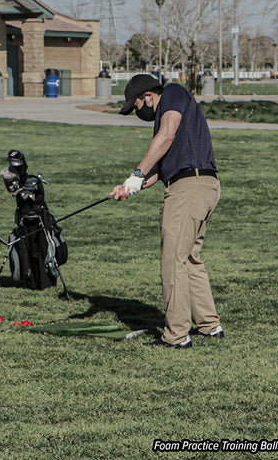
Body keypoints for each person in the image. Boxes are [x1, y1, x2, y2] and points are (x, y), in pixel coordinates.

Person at [110, 74, 223, 349]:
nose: (138, 112)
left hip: (188, 190)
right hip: (203, 186)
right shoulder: (169, 111)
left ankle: (176, 336)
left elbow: (166, 135)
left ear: (148, 96)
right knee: (190, 258)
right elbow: (160, 170)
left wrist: (136, 173)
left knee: (173, 261)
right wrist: (131, 186)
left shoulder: (171, 93)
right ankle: (210, 325)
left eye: (135, 106)